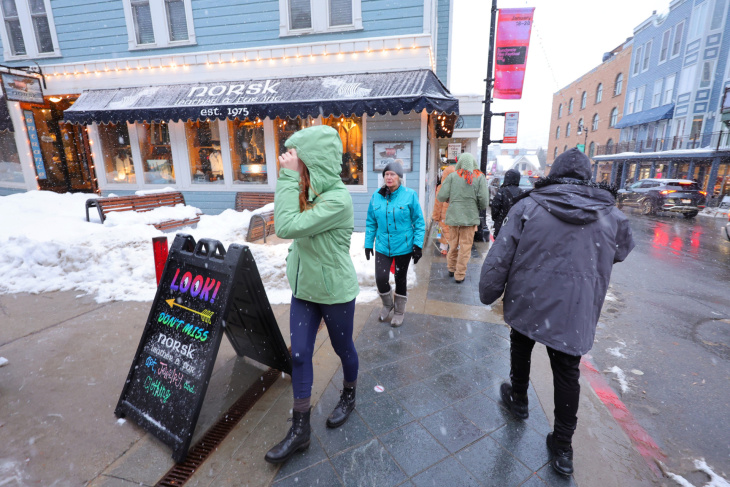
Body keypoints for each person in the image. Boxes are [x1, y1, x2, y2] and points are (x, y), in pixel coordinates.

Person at [478, 148, 635, 476]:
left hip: (528, 297)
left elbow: (501, 254)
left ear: (555, 172)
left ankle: (519, 399)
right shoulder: (612, 216)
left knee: (521, 344)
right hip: (575, 308)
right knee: (567, 372)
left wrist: (488, 290)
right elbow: (621, 251)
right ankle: (563, 447)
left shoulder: (528, 205)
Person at [265, 125, 360, 464]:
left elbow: (286, 226)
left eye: (298, 161)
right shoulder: (308, 191)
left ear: (313, 163)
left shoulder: (337, 199)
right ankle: (301, 428)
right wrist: (294, 179)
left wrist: (289, 178)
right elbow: (289, 219)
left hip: (334, 292)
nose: (292, 167)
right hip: (304, 290)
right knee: (300, 356)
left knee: (342, 347)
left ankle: (349, 393)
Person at [365, 160, 425, 327]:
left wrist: (418, 245)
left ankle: (399, 311)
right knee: (381, 278)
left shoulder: (409, 195)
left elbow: (419, 222)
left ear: (400, 177)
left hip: (403, 246)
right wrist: (368, 243)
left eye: (392, 174)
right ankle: (387, 305)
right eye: (386, 174)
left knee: (400, 279)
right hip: (383, 245)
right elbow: (371, 222)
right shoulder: (376, 196)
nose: (389, 177)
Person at [436, 152, 488, 283]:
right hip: (470, 219)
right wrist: (476, 205)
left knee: (452, 244)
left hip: (453, 217)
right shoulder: (480, 177)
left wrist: (450, 198)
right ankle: (460, 275)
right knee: (465, 247)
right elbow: (484, 201)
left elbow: (441, 196)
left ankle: (451, 268)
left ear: (459, 163)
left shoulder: (453, 176)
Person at [490, 169, 524, 238]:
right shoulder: (521, 192)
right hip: (516, 225)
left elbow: (495, 207)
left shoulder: (502, 191)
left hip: (502, 224)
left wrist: (495, 219)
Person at [431, 164, 456, 255]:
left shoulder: (441, 188)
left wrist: (436, 217)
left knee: (443, 231)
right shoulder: (458, 189)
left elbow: (437, 204)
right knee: (454, 231)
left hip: (443, 215)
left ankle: (444, 248)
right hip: (455, 215)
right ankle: (455, 247)